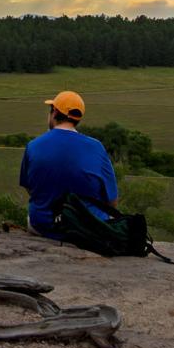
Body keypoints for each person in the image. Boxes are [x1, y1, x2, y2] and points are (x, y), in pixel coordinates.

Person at [19, 90, 117, 238]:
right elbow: (112, 201)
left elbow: (30, 188)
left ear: (54, 112)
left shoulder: (33, 145)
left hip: (43, 225)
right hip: (86, 228)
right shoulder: (96, 147)